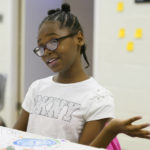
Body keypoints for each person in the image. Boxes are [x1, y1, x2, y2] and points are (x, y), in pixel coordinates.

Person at [14, 3, 150, 149]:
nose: (46, 51)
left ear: (79, 38)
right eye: (41, 47)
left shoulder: (98, 97)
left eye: (53, 42)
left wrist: (111, 130)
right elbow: (14, 136)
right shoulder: (37, 88)